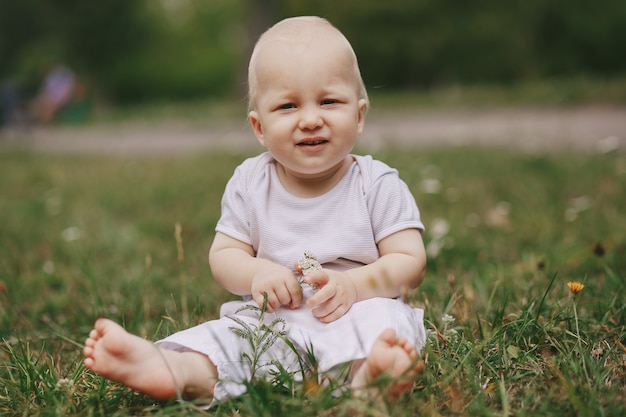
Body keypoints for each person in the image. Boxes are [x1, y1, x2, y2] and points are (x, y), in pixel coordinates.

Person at [83, 16, 427, 407]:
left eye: (329, 101)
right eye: (288, 105)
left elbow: (409, 261)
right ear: (259, 127)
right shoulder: (250, 182)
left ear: (359, 115)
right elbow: (224, 257)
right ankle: (179, 370)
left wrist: (354, 286)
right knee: (231, 339)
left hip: (357, 312)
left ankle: (370, 378)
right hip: (275, 320)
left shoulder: (375, 183)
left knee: (386, 325)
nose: (311, 118)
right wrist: (258, 272)